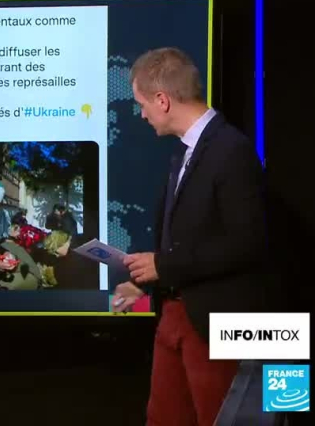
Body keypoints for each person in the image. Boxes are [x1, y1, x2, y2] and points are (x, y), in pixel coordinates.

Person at [111, 47, 271, 426]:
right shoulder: (185, 153)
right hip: (176, 315)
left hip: (217, 325)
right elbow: (190, 239)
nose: (141, 114)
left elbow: (248, 243)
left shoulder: (231, 150)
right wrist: (147, 281)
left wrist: (164, 266)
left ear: (162, 100)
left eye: (142, 104)